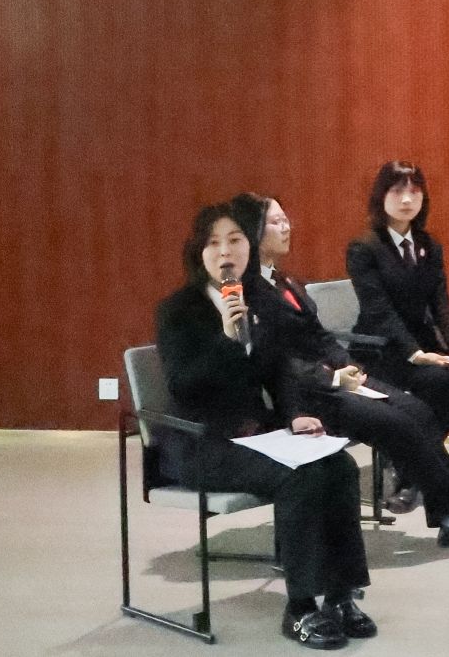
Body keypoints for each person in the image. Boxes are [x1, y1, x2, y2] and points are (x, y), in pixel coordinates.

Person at [233, 192, 449, 549]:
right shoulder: (247, 292)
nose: (286, 227)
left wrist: (348, 365)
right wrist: (333, 377)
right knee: (395, 422)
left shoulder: (284, 280)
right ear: (253, 232)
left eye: (285, 219)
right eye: (275, 222)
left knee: (417, 411)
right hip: (302, 399)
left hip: (332, 382)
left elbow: (320, 337)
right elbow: (273, 361)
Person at [154, 200, 373, 649]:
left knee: (339, 466)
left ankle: (340, 595)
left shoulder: (260, 304)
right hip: (203, 441)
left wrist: (294, 414)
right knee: (300, 476)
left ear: (250, 248)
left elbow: (279, 372)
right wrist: (224, 338)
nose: (225, 252)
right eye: (213, 243)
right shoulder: (178, 310)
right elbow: (182, 387)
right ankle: (301, 607)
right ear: (198, 252)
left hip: (259, 435)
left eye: (235, 240)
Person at [345, 162, 449, 441]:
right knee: (439, 382)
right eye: (397, 191)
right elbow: (379, 310)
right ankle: (421, 453)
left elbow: (441, 301)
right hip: (382, 349)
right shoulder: (364, 248)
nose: (407, 200)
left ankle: (418, 452)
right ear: (381, 196)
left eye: (414, 191)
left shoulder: (429, 246)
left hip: (422, 344)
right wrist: (415, 354)